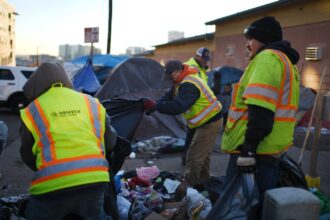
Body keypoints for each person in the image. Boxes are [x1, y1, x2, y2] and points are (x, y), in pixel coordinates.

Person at [19, 62, 118, 220]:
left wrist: (49, 167)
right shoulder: (91, 102)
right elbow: (110, 141)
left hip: (51, 185)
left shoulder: (33, 109)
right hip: (94, 178)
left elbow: (27, 155)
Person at [221, 16, 300, 213]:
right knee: (262, 206)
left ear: (263, 38)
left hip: (253, 151)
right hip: (268, 150)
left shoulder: (267, 58)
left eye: (251, 39)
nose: (248, 45)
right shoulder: (286, 62)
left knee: (235, 208)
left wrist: (248, 150)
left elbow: (261, 110)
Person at [143, 60, 222, 188]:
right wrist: (155, 104)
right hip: (201, 122)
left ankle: (188, 186)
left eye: (171, 75)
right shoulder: (180, 82)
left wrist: (157, 106)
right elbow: (168, 97)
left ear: (178, 71)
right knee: (203, 154)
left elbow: (177, 106)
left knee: (194, 155)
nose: (169, 79)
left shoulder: (189, 84)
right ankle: (204, 181)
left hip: (210, 121)